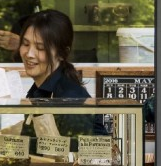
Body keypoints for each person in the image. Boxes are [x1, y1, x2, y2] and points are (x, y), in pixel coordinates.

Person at [10, 9, 106, 141]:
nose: (29, 54)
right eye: (25, 44)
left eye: (40, 48)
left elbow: (76, 157)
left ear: (62, 54)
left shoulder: (70, 99)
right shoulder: (38, 91)